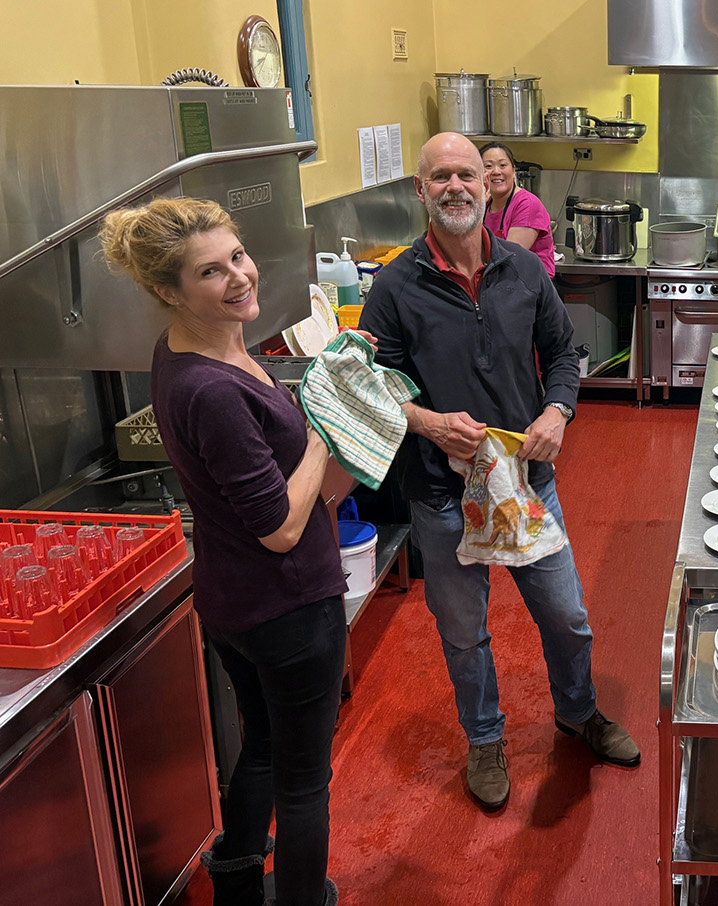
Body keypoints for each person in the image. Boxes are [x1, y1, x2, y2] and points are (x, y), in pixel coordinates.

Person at [360, 132, 638, 811]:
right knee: (464, 633)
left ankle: (578, 713)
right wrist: (427, 422)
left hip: (525, 485)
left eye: (467, 175)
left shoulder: (524, 272)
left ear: (489, 188)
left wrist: (557, 413)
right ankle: (485, 740)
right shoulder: (397, 285)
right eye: (440, 177)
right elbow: (369, 384)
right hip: (442, 493)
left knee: (568, 617)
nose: (455, 186)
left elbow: (565, 357)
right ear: (420, 191)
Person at [101, 199, 343, 906]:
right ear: (168, 291)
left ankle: (236, 873)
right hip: (288, 606)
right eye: (211, 271)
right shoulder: (209, 389)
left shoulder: (192, 346)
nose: (239, 277)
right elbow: (279, 526)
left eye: (237, 256)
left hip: (234, 602)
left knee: (262, 742)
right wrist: (323, 435)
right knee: (304, 780)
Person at [480, 141, 557, 277]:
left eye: (503, 165)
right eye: (488, 166)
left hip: (530, 286)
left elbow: (509, 257)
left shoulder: (526, 204)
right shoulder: (485, 204)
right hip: (499, 281)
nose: (496, 171)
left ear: (513, 170)